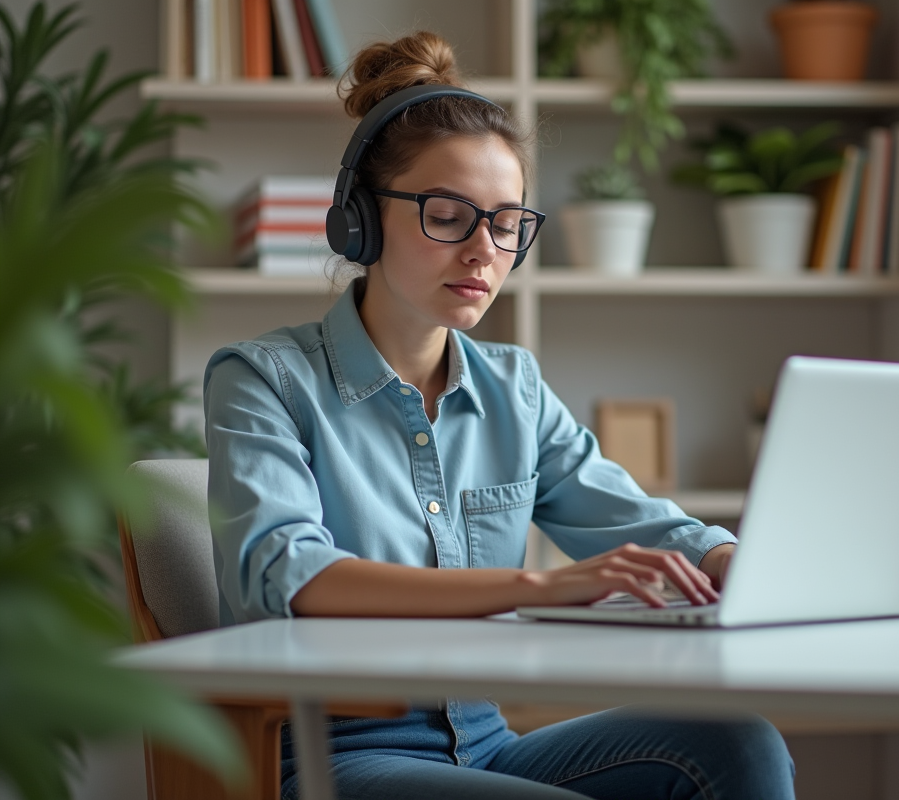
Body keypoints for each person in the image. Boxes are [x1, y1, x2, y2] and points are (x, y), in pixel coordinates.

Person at [204, 30, 795, 800]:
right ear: (361, 220)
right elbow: (292, 575)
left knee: (739, 744)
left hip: (484, 742)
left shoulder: (512, 387)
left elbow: (633, 520)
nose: (485, 250)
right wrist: (537, 586)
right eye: (448, 215)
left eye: (507, 222)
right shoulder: (263, 380)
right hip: (329, 757)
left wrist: (721, 559)